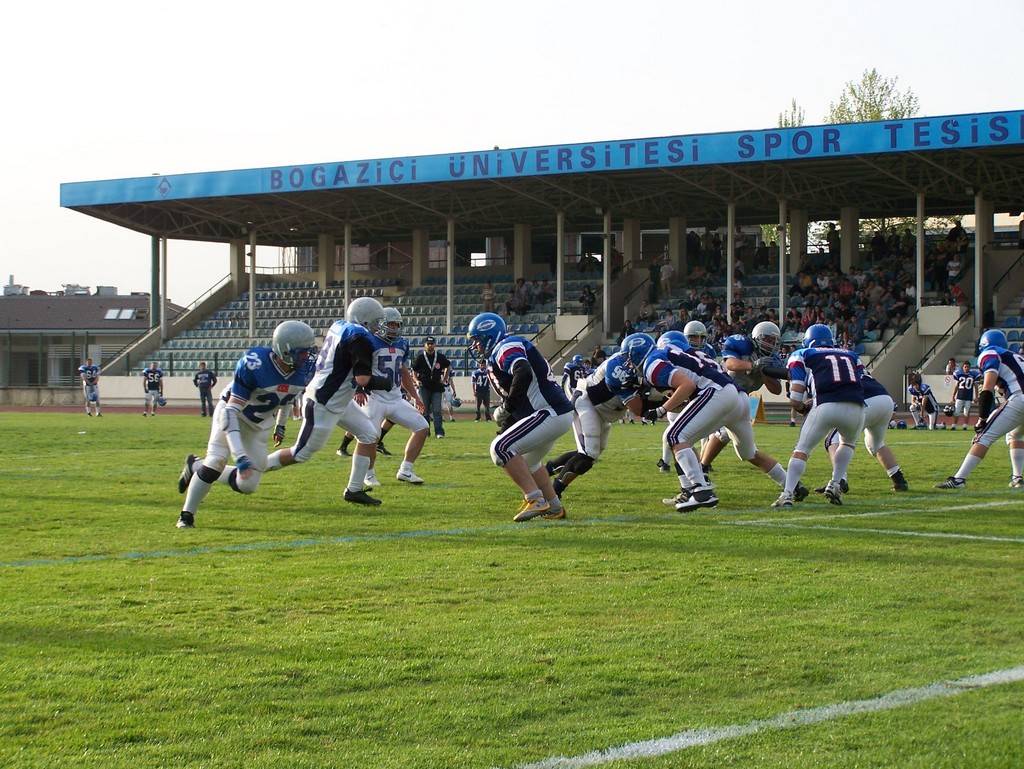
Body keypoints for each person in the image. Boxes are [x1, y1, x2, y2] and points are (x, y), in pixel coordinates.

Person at [222, 297, 395, 506]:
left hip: (338, 398)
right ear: (365, 320)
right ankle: (243, 470)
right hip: (324, 402)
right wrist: (385, 382)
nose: (379, 327)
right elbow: (363, 380)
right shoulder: (359, 339)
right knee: (300, 453)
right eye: (376, 322)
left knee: (369, 434)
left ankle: (354, 490)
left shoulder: (340, 326)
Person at [174, 320, 317, 529]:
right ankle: (186, 516)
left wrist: (281, 425)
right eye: (302, 352)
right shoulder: (255, 363)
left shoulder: (305, 370)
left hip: (259, 425)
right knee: (216, 461)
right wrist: (240, 456)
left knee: (248, 485)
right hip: (232, 413)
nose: (307, 357)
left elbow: (287, 398)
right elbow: (231, 412)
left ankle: (195, 465)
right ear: (285, 351)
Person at [632, 332, 792, 511]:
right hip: (737, 396)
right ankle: (792, 485)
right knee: (747, 452)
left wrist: (661, 409)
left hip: (716, 393)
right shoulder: (689, 354)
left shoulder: (653, 362)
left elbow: (688, 386)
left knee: (674, 436)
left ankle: (701, 490)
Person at [467, 311, 574, 522]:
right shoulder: (501, 350)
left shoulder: (506, 346)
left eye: (477, 341)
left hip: (549, 411)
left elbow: (522, 372)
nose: (475, 346)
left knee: (500, 448)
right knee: (529, 462)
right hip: (552, 412)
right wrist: (509, 417)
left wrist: (507, 406)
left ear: (489, 336)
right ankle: (554, 506)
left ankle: (535, 499)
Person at [773, 324, 866, 508]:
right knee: (847, 443)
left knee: (802, 450)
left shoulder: (803, 353)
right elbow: (860, 380)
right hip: (857, 406)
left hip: (826, 403)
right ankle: (835, 483)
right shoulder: (851, 355)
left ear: (807, 340)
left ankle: (788, 494)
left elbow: (796, 394)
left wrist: (799, 405)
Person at [544, 350, 644, 498]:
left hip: (602, 411)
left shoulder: (642, 368)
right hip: (586, 402)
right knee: (588, 455)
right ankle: (553, 494)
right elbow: (637, 407)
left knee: (591, 453)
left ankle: (545, 471)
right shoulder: (618, 365)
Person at [352, 306, 430, 488]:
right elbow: (356, 367)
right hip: (374, 397)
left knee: (422, 427)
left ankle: (406, 470)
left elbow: (403, 372)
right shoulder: (369, 341)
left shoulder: (402, 343)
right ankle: (368, 474)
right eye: (390, 324)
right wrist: (359, 388)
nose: (394, 328)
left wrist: (415, 397)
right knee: (370, 436)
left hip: (395, 398)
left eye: (397, 324)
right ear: (380, 324)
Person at [937, 329, 1024, 490]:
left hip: (1020, 398)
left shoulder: (990, 353)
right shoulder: (1014, 356)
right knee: (1015, 434)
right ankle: (1017, 478)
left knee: (983, 436)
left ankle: (959, 479)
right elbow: (1004, 386)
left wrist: (982, 419)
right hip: (1019, 397)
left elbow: (987, 389)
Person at [817, 372, 908, 494]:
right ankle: (899, 480)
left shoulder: (833, 367)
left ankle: (839, 480)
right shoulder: (852, 363)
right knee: (875, 444)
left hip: (865, 400)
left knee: (832, 439)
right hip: (885, 400)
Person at [412, 336, 451, 437]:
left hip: (437, 387)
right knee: (424, 410)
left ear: (435, 345)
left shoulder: (440, 357)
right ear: (424, 345)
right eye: (428, 344)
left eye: (432, 343)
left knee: (437, 410)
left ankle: (439, 432)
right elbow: (414, 371)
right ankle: (426, 432)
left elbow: (448, 366)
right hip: (424, 387)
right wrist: (416, 381)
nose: (430, 346)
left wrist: (445, 378)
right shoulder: (420, 357)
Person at [949, 361, 981, 430]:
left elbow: (976, 386)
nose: (966, 368)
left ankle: (965, 425)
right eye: (965, 367)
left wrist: (976, 397)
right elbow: (956, 386)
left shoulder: (973, 375)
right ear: (963, 367)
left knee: (966, 412)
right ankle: (954, 425)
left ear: (970, 367)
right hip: (960, 396)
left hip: (968, 397)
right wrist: (953, 396)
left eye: (968, 367)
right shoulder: (959, 374)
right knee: (956, 411)